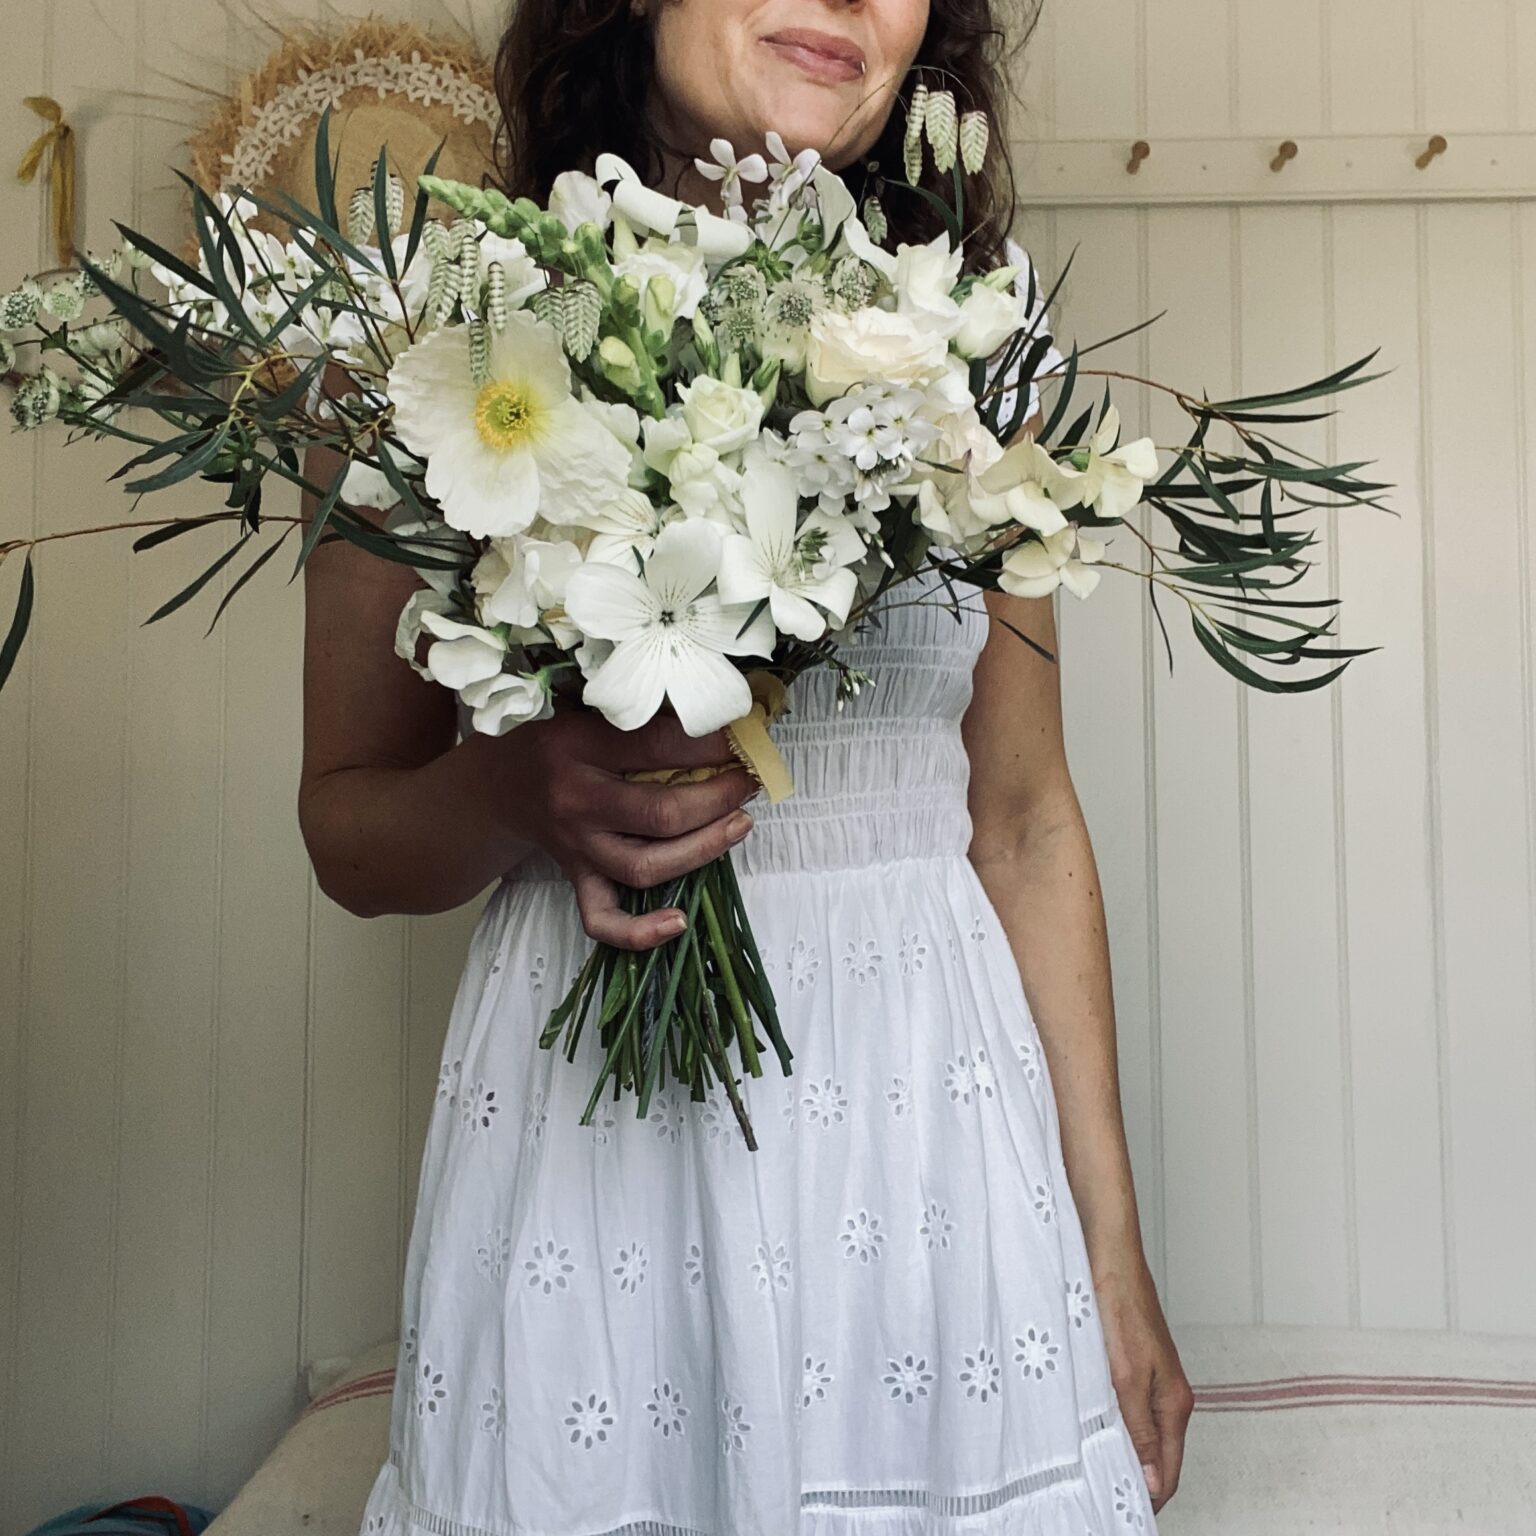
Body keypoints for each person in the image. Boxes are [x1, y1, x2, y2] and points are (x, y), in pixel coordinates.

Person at [297, 1, 1193, 1531]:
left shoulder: (978, 329)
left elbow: (1028, 819)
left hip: (929, 1134)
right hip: (597, 1133)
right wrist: (519, 792)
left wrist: (1112, 1253)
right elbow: (349, 830)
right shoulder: (438, 326)